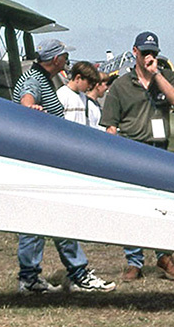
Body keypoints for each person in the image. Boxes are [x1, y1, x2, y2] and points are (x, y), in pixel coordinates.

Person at [11, 39, 115, 294]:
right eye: (64, 56)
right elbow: (27, 97)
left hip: (45, 159)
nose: (67, 60)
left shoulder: (43, 78)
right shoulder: (34, 80)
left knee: (55, 217)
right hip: (39, 162)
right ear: (55, 59)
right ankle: (38, 278)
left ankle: (61, 274)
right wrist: (30, 108)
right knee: (39, 220)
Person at [99, 31, 174, 282]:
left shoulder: (165, 76)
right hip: (131, 150)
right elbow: (111, 125)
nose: (150, 56)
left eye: (154, 53)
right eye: (145, 52)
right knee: (133, 208)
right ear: (134, 52)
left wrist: (157, 74)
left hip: (159, 151)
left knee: (162, 206)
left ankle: (164, 257)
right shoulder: (121, 85)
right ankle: (134, 261)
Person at [57, 60, 100, 126]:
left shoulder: (83, 97)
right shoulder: (62, 95)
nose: (90, 87)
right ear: (78, 78)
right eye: (89, 83)